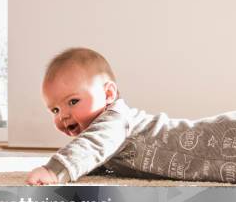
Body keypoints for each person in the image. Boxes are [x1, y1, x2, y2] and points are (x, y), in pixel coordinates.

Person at [26, 47, 236, 185]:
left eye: (73, 102)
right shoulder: (109, 134)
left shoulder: (116, 120)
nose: (63, 115)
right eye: (55, 110)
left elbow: (93, 145)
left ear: (108, 94)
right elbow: (94, 156)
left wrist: (55, 171)